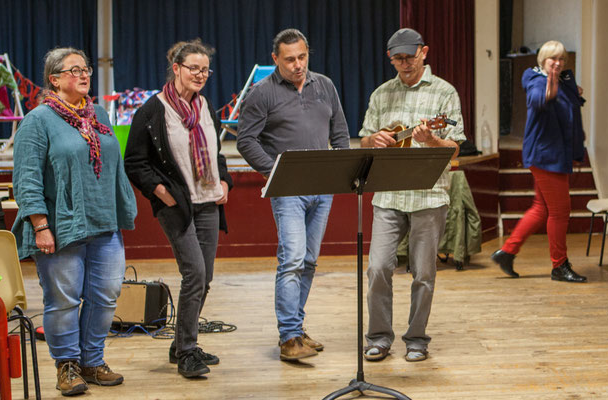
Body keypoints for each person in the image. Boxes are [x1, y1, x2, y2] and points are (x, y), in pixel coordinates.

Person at [12, 47, 136, 396]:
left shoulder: (97, 114)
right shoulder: (38, 120)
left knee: (106, 295)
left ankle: (92, 361)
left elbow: (114, 167)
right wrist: (40, 225)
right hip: (61, 227)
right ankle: (66, 365)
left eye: (86, 70)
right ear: (54, 79)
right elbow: (27, 179)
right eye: (75, 70)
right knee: (63, 300)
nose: (84, 75)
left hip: (104, 222)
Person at [236, 28, 350, 361]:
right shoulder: (262, 93)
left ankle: (297, 329)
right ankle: (288, 337)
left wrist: (342, 169)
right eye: (289, 60)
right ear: (275, 59)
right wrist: (275, 172)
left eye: (302, 57)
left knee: (310, 262)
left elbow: (340, 131)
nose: (297, 65)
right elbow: (246, 140)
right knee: (292, 261)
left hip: (322, 189)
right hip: (288, 192)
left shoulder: (324, 85)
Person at [124, 39, 232, 378]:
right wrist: (160, 193)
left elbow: (216, 153)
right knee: (194, 274)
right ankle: (186, 352)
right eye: (194, 68)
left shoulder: (205, 107)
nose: (200, 75)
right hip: (178, 207)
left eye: (205, 70)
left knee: (206, 277)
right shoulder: (152, 111)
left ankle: (181, 344)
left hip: (209, 203)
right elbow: (135, 162)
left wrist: (224, 179)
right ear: (176, 69)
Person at [358, 27, 464, 363]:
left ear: (424, 52)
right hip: (388, 195)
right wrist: (373, 139)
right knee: (376, 268)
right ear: (390, 59)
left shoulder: (445, 93)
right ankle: (378, 337)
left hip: (428, 196)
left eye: (410, 56)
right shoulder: (380, 94)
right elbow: (363, 140)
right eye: (398, 58)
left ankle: (417, 339)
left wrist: (432, 140)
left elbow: (455, 146)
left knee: (423, 273)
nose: (405, 63)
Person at [490, 40, 588, 283]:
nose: (557, 63)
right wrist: (552, 86)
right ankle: (559, 265)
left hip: (554, 154)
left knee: (541, 208)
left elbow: (567, 105)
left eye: (561, 59)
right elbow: (538, 99)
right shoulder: (536, 80)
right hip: (547, 156)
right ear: (542, 60)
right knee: (560, 212)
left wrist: (572, 92)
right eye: (552, 59)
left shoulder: (563, 81)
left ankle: (507, 252)